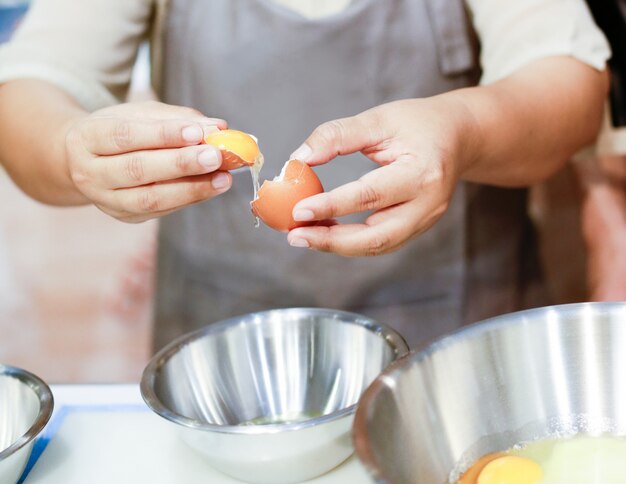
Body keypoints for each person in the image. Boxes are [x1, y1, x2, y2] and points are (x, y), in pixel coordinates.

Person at [0, 0, 611, 350]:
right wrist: (67, 150)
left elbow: (572, 86)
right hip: (223, 354)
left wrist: (462, 128)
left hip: (453, 351)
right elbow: (26, 90)